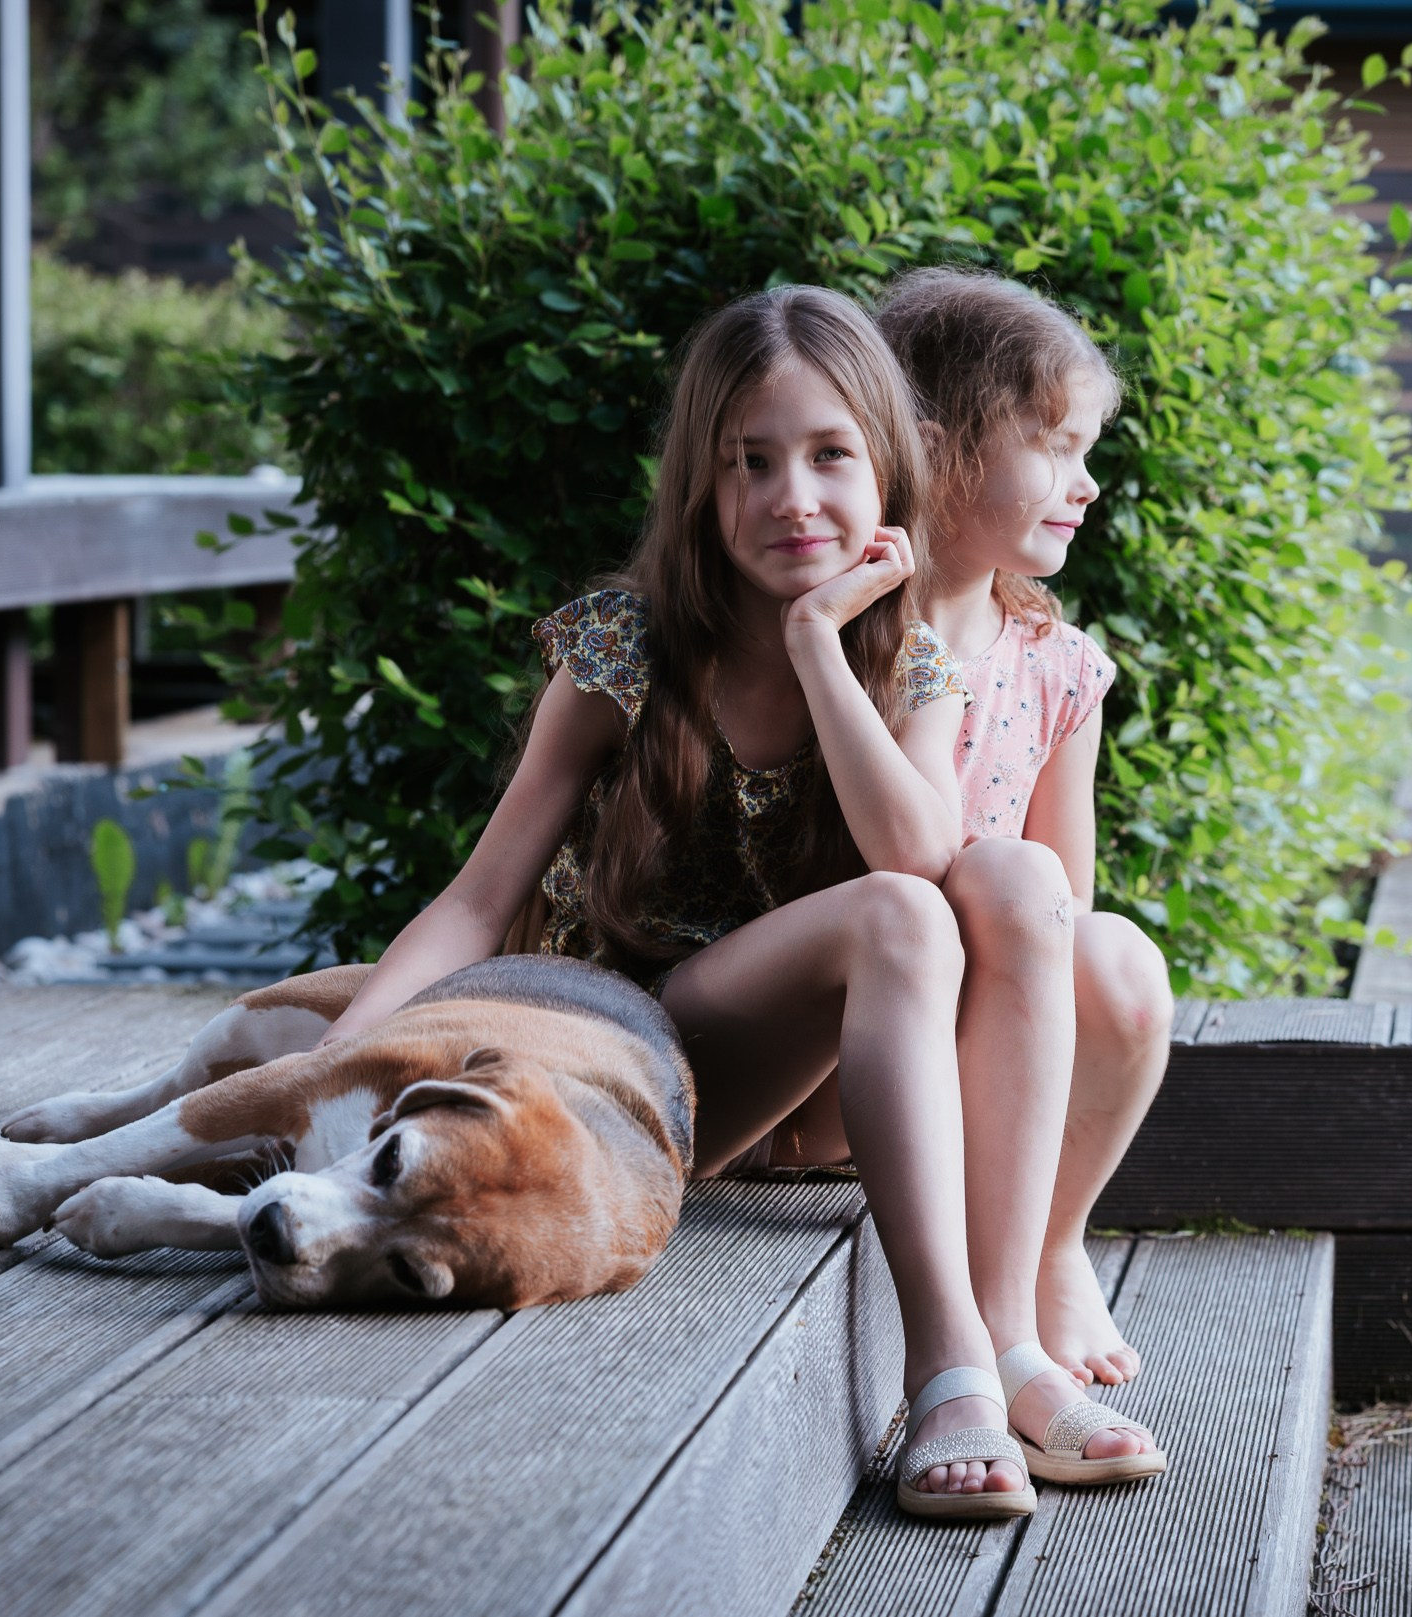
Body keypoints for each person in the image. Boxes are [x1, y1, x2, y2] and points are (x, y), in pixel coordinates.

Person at [314, 285, 1043, 1520]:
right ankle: (948, 1365)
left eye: (827, 457)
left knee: (929, 900)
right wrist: (344, 1066)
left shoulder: (909, 657)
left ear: (889, 474)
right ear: (700, 488)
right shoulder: (629, 642)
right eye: (747, 463)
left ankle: (989, 1341)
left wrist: (821, 645)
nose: (790, 497)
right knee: (902, 918)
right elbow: (478, 897)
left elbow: (914, 848)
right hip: (619, 1056)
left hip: (785, 1104)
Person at [882, 267, 1174, 1451]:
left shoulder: (1058, 665)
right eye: (1055, 445)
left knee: (1120, 963)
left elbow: (1067, 903)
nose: (1088, 481)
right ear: (939, 451)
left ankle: (1054, 1243)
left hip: (992, 1027)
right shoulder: (854, 640)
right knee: (1007, 893)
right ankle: (1000, 1334)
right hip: (876, 1032)